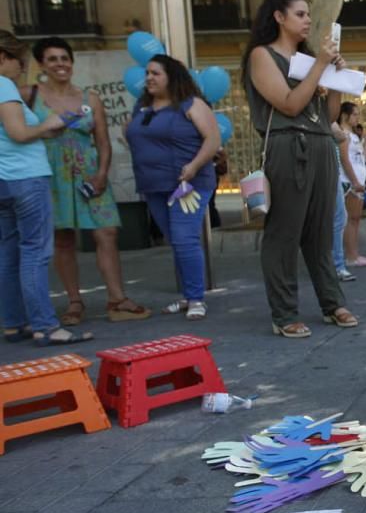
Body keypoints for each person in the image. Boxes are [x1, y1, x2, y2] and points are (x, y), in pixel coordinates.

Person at [242, 0, 357, 338]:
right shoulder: (263, 56)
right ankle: (284, 313)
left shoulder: (307, 59)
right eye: (301, 14)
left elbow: (329, 116)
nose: (308, 20)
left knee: (322, 231)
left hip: (321, 145)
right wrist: (321, 65)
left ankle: (332, 302)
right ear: (279, 17)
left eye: (308, 14)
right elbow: (290, 105)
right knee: (284, 232)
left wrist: (336, 80)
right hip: (287, 144)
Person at [25, 37, 149, 325]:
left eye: (64, 58)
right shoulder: (29, 95)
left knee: (107, 233)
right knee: (63, 239)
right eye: (53, 59)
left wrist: (102, 173)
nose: (60, 64)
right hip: (51, 173)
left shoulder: (89, 98)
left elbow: (103, 141)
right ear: (41, 64)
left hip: (89, 173)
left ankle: (117, 299)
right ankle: (74, 302)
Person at [0, 29, 86, 345]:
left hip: (3, 180)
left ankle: (14, 323)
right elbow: (19, 133)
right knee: (35, 252)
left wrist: (41, 132)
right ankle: (46, 326)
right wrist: (49, 124)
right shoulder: (4, 86)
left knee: (8, 252)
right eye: (19, 61)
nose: (22, 68)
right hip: (25, 177)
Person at [125, 55, 221, 320]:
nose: (149, 78)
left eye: (156, 73)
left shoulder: (192, 104)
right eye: (147, 73)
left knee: (184, 239)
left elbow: (212, 140)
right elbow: (129, 134)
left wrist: (193, 166)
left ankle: (196, 298)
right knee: (176, 242)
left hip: (188, 184)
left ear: (172, 76)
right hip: (153, 186)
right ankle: (188, 295)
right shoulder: (141, 107)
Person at [336, 103, 366, 268]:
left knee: (355, 219)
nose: (358, 118)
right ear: (345, 115)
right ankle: (351, 256)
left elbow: (359, 157)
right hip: (349, 183)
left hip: (358, 182)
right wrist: (355, 182)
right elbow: (345, 160)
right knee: (351, 219)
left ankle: (354, 254)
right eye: (355, 114)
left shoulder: (353, 135)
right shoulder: (342, 134)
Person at [330, 113, 354, 282]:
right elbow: (339, 136)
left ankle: (332, 266)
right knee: (339, 218)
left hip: (327, 172)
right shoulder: (320, 110)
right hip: (328, 173)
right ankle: (337, 266)